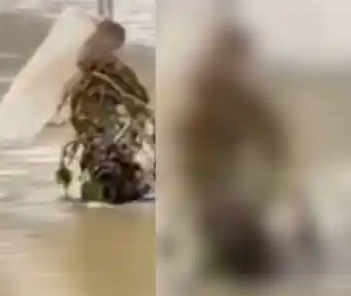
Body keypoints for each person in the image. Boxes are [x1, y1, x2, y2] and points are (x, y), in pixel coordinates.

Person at [175, 25, 319, 282]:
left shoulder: (251, 103)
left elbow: (281, 152)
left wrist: (296, 207)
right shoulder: (197, 107)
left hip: (246, 201)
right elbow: (190, 170)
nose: (236, 68)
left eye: (240, 61)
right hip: (213, 206)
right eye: (229, 59)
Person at [54, 18, 154, 204]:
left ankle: (110, 186)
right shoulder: (94, 75)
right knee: (104, 159)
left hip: (103, 131)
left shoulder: (106, 73)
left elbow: (139, 100)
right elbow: (140, 99)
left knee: (106, 159)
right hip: (98, 131)